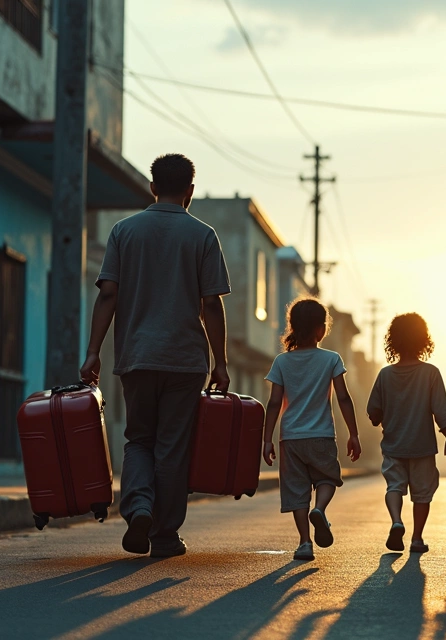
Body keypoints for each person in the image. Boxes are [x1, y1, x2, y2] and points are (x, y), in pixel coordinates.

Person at [79, 153, 230, 558]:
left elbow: (108, 294)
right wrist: (222, 363)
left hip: (137, 356)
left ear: (152, 187)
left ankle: (139, 508)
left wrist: (93, 351)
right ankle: (164, 534)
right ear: (190, 191)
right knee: (172, 446)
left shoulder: (124, 232)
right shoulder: (203, 235)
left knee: (139, 439)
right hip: (185, 361)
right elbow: (211, 304)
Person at [261, 298, 362, 561]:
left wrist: (267, 440)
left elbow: (273, 403)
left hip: (290, 437)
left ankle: (305, 543)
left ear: (293, 327)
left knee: (296, 491)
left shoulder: (282, 362)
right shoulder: (331, 359)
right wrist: (353, 433)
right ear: (321, 330)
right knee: (328, 478)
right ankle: (320, 508)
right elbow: (343, 398)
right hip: (321, 435)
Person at [367, 313, 446, 554]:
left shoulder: (385, 375)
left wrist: (380, 418)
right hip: (423, 446)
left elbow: (373, 411)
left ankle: (396, 520)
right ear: (423, 340)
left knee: (394, 487)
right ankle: (417, 538)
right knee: (422, 493)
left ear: (392, 341)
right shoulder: (431, 373)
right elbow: (440, 409)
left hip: (394, 444)